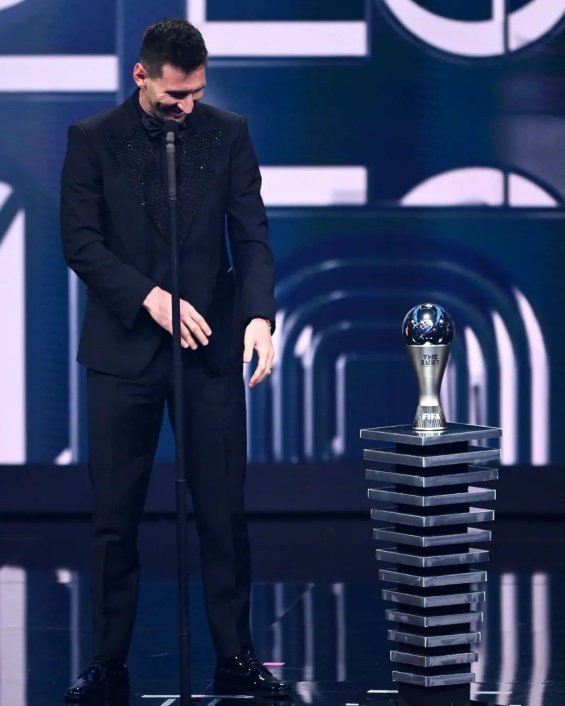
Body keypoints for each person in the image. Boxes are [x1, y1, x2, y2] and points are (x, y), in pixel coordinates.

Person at [61, 18, 290, 703]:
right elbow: (80, 243)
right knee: (114, 516)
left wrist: (257, 316)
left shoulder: (228, 133)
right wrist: (149, 297)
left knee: (223, 512)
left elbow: (250, 235)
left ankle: (236, 655)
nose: (184, 107)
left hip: (210, 351)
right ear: (141, 76)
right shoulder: (92, 141)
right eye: (172, 96)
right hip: (123, 352)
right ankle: (107, 661)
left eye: (194, 94)